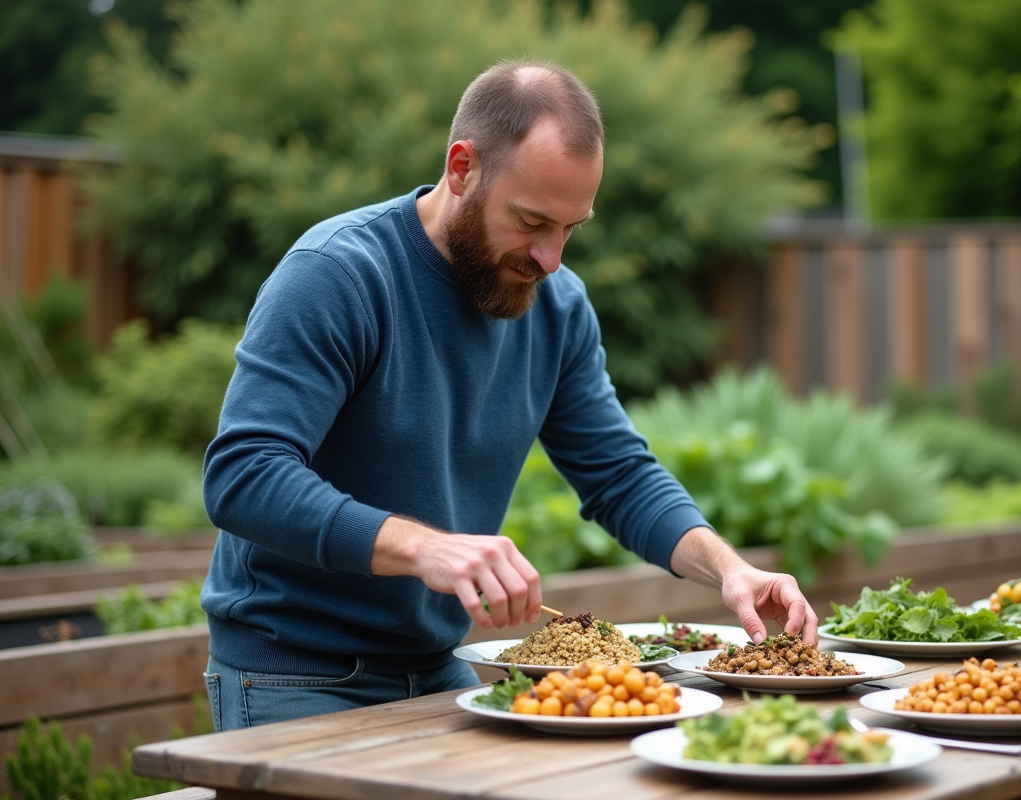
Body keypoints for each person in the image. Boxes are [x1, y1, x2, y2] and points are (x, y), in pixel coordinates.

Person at [200, 58, 818, 732]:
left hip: (438, 663)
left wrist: (727, 568)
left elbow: (618, 475)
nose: (551, 258)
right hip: (298, 669)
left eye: (571, 229)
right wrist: (426, 548)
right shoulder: (339, 276)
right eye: (531, 222)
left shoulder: (558, 307)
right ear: (462, 168)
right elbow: (243, 476)